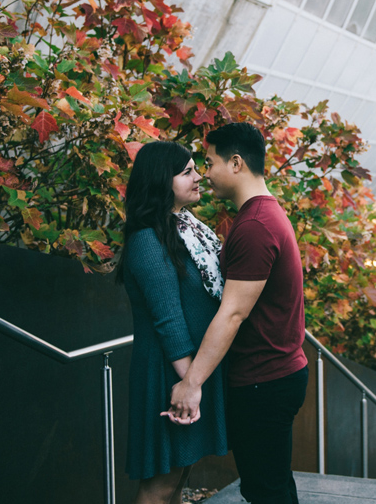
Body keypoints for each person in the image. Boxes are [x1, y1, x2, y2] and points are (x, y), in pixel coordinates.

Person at [167, 122, 308, 504]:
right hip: (274, 373)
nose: (205, 174)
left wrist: (191, 383)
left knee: (266, 489)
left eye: (209, 163)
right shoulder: (262, 215)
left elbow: (232, 314)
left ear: (235, 163)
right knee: (270, 484)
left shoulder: (256, 225)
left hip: (265, 378)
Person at [117, 141, 228, 504]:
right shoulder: (148, 239)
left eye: (196, 169)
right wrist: (189, 385)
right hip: (169, 373)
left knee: (179, 478)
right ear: (160, 181)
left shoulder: (185, 231)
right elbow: (167, 319)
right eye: (187, 172)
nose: (199, 178)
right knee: (160, 486)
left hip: (187, 371)